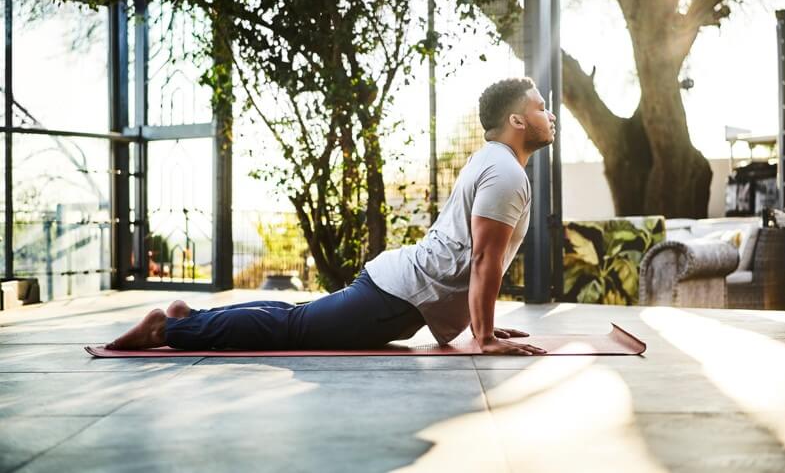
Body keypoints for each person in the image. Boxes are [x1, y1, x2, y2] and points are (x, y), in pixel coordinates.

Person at [106, 77, 555, 356]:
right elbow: (482, 261)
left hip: (402, 291)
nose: (548, 114)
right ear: (516, 120)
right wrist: (484, 338)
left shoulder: (494, 162)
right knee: (294, 328)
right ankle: (168, 328)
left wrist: (484, 324)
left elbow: (472, 254)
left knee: (297, 315)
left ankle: (190, 315)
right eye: (539, 107)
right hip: (398, 295)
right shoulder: (504, 172)